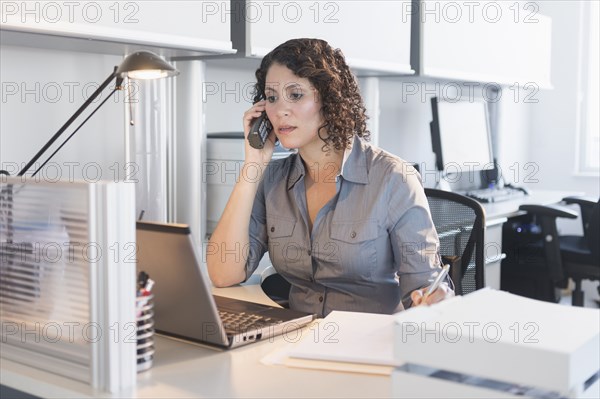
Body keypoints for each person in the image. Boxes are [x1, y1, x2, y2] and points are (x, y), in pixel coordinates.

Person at [207, 38, 453, 317]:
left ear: (330, 98)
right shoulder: (274, 180)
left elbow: (426, 287)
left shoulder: (392, 178)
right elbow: (222, 273)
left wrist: (433, 298)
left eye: (296, 95)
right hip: (299, 340)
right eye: (272, 98)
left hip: (371, 344)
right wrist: (253, 164)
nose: (280, 110)